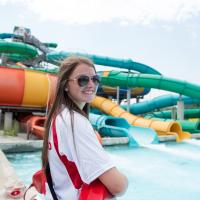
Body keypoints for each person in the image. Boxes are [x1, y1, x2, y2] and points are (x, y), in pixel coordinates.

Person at [42, 56, 128, 199]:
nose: (91, 85)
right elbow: (117, 186)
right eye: (83, 80)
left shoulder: (59, 116)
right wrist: (125, 180)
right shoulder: (75, 122)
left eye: (95, 79)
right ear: (65, 85)